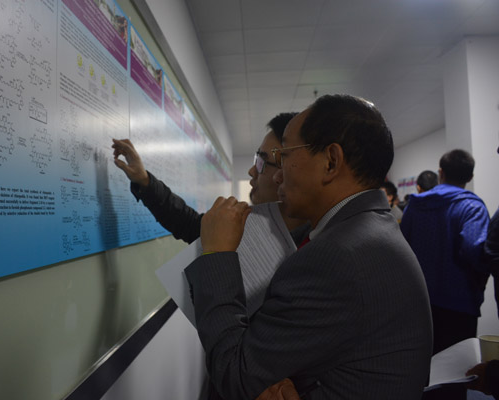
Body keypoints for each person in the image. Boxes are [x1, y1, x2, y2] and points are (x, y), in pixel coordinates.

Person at [184, 95, 432, 400]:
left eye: (285, 155)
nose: (277, 174)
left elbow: (235, 374)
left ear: (330, 161)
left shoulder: (336, 256)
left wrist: (218, 253)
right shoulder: (371, 231)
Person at [112, 112, 310, 246]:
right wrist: (145, 181)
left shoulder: (312, 254)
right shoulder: (247, 224)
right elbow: (190, 224)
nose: (251, 171)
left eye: (261, 162)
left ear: (287, 172)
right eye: (255, 160)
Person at [401, 149, 490, 354]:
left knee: (419, 364)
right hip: (460, 305)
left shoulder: (415, 205)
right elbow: (474, 249)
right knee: (456, 368)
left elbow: (401, 246)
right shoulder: (472, 207)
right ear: (470, 177)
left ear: (440, 172)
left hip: (418, 302)